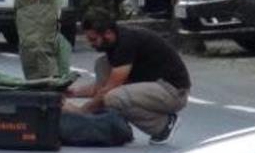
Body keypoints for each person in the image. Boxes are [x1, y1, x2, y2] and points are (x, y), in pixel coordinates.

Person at [64, 8, 190, 144]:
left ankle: (163, 126)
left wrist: (81, 111)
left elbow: (109, 90)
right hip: (156, 85)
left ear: (107, 33)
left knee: (113, 98)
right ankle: (108, 120)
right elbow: (101, 87)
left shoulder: (126, 43)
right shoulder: (115, 42)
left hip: (173, 91)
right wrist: (73, 92)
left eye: (93, 39)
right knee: (102, 64)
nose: (91, 44)